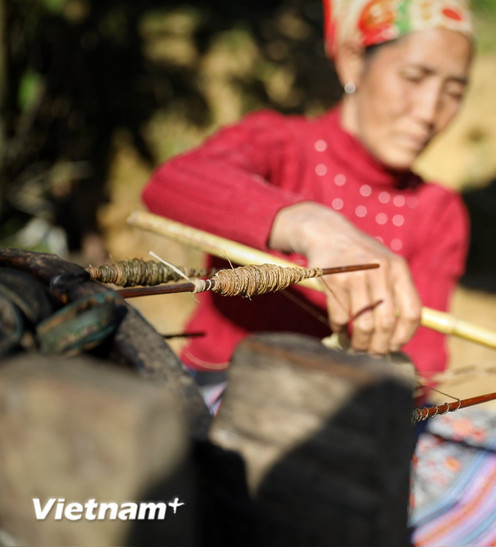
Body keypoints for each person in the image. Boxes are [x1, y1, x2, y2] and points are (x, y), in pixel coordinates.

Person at [142, 0, 474, 403]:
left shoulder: (438, 211)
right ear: (353, 61)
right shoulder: (278, 145)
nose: (429, 112)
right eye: (413, 77)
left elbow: (422, 362)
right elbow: (171, 184)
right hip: (219, 395)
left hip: (345, 417)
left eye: (453, 92)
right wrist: (312, 225)